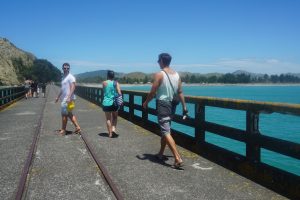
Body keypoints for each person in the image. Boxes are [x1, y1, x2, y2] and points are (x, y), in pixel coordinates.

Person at [143, 53, 188, 169]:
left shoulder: (160, 74)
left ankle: (177, 158)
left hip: (163, 104)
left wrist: (146, 102)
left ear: (162, 61)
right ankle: (161, 153)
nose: (158, 62)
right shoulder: (177, 75)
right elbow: (180, 92)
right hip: (173, 104)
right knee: (166, 129)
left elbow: (153, 91)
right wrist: (184, 107)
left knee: (166, 130)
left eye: (158, 60)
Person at [55, 63, 81, 135]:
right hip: (66, 98)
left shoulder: (71, 77)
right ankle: (77, 127)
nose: (66, 69)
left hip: (67, 99)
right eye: (65, 68)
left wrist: (69, 97)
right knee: (69, 114)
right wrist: (58, 96)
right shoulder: (63, 77)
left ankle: (63, 130)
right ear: (62, 68)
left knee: (64, 115)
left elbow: (73, 87)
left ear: (69, 69)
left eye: (67, 68)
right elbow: (62, 89)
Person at [102, 70, 122, 138]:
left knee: (108, 119)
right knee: (115, 117)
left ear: (107, 76)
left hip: (106, 103)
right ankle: (113, 129)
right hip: (114, 103)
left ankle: (110, 133)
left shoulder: (104, 83)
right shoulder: (116, 83)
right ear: (113, 76)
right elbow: (119, 93)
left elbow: (104, 91)